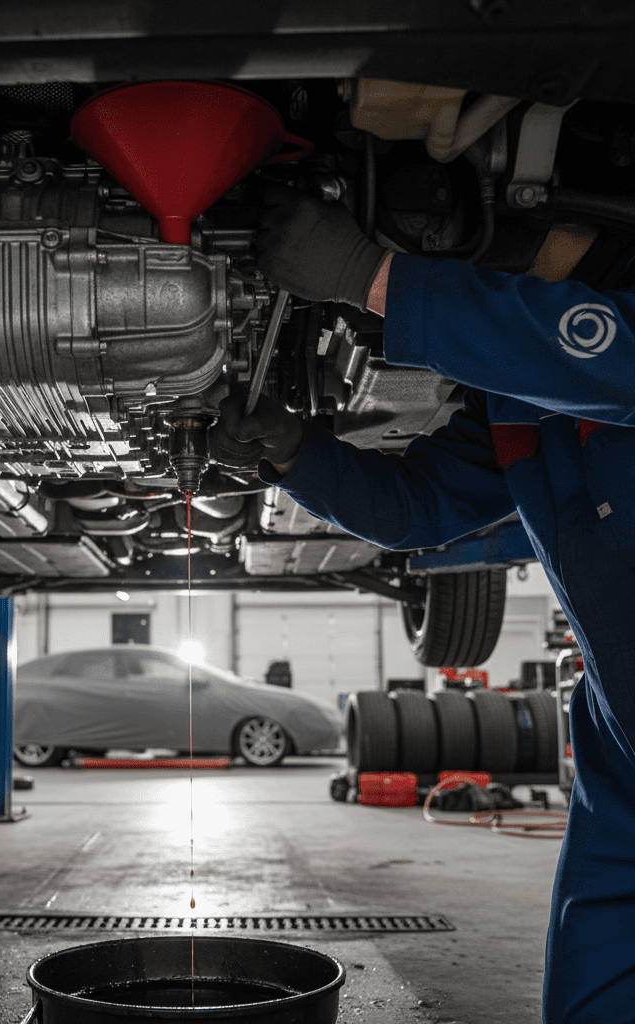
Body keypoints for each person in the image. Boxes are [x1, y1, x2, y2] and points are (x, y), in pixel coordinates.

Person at [210, 188, 635, 1024]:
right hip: (619, 735)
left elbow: (603, 356)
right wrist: (298, 452)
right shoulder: (520, 399)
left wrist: (373, 278)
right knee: (594, 989)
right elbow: (419, 507)